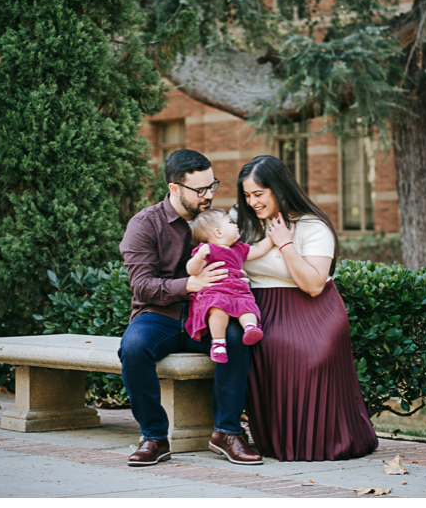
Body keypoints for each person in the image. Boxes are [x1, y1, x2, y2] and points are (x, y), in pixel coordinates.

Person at [118, 149, 262, 467]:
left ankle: (227, 432)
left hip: (211, 314)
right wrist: (189, 285)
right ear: (174, 188)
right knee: (133, 346)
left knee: (238, 339)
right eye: (200, 190)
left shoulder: (219, 222)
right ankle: (154, 437)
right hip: (160, 316)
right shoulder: (144, 225)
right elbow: (142, 286)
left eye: (212, 186)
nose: (209, 195)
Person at [237, 154, 379, 462]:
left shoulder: (313, 227)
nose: (252, 202)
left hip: (313, 311)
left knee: (308, 354)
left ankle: (326, 440)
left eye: (258, 194)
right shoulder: (244, 224)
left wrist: (285, 244)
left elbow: (314, 284)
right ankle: (274, 441)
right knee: (260, 347)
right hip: (259, 310)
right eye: (247, 195)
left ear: (279, 189)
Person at [185, 208, 273, 360]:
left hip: (238, 291)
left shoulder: (239, 249)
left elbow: (259, 249)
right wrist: (199, 258)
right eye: (230, 222)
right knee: (217, 310)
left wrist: (273, 237)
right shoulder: (208, 250)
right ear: (218, 232)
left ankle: (250, 328)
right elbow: (191, 270)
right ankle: (218, 343)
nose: (235, 224)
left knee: (247, 306)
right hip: (216, 292)